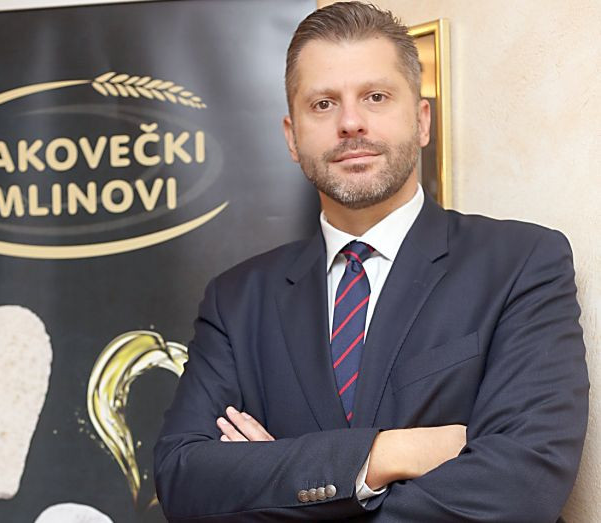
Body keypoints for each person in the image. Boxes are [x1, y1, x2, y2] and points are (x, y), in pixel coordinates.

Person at [154, 2, 589, 521]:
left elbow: (522, 486)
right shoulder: (236, 300)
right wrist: (385, 454)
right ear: (292, 137)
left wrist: (280, 478)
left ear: (422, 120)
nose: (350, 123)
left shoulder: (520, 264)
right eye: (323, 104)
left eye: (376, 97)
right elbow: (183, 481)